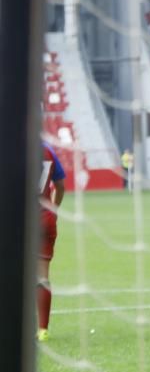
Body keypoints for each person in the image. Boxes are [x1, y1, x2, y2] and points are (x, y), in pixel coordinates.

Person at [38, 141, 66, 342]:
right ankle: (42, 329)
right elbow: (60, 185)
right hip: (44, 217)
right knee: (42, 277)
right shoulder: (47, 149)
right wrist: (53, 210)